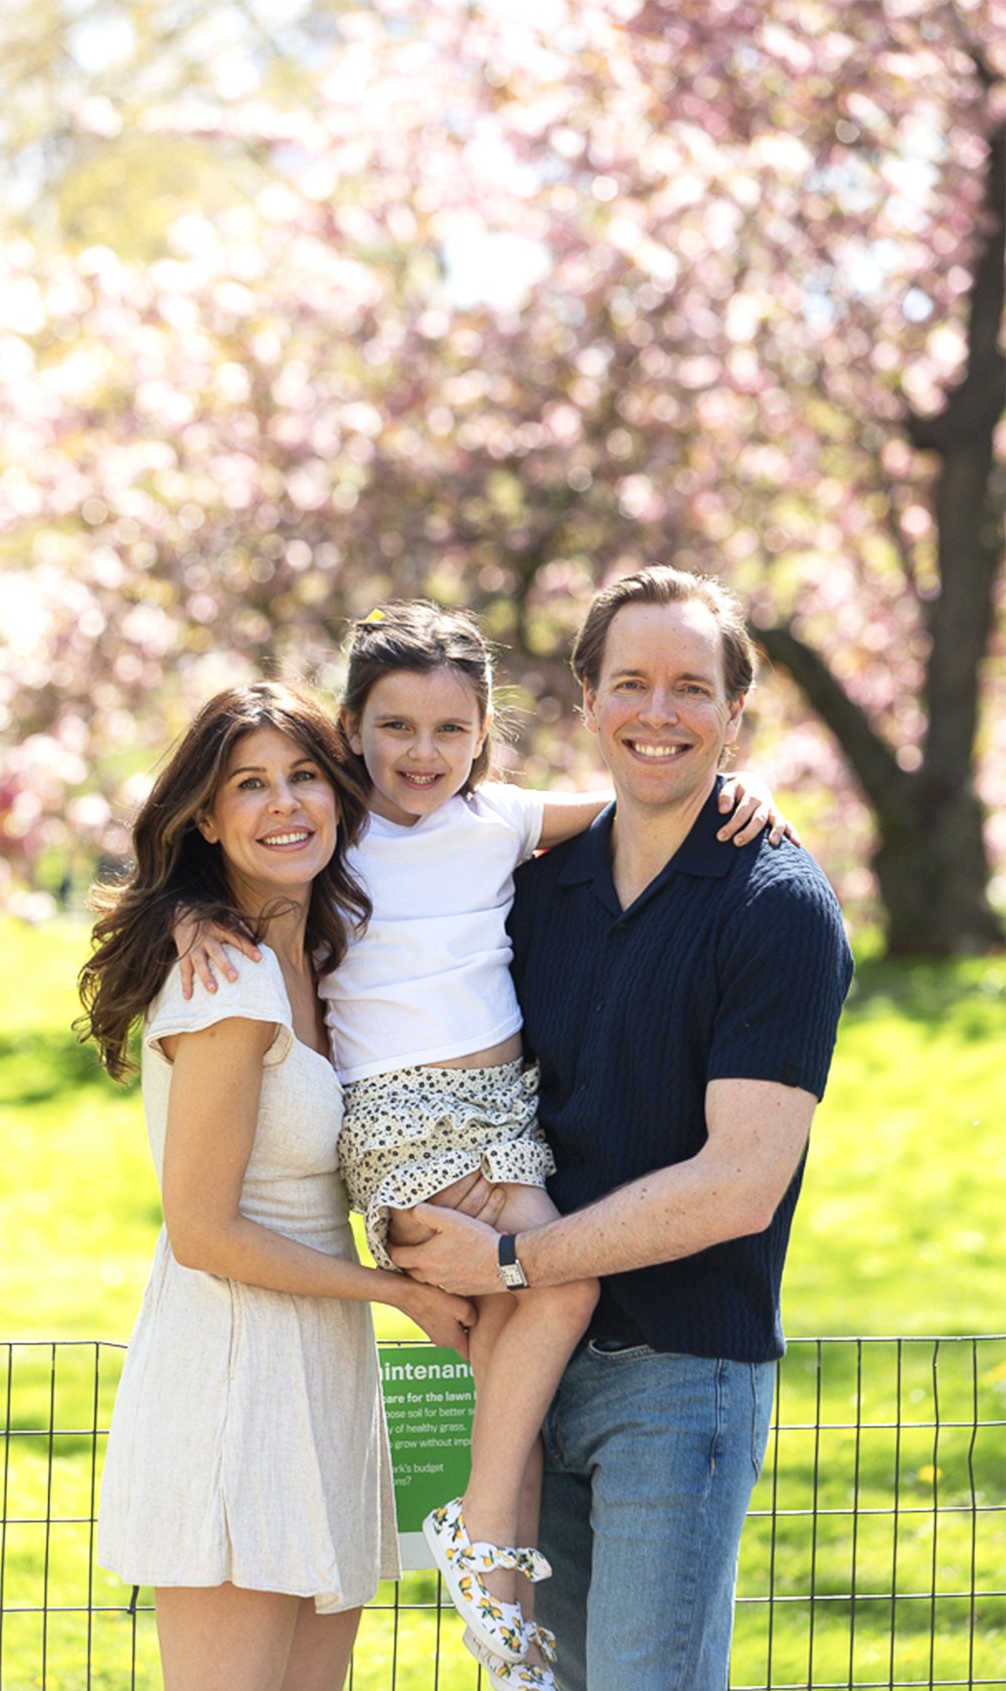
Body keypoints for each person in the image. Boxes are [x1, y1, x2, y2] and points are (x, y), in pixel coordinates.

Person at [179, 601, 791, 1689]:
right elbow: (235, 868)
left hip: (502, 1114)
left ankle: (492, 1565)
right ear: (350, 730)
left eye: (449, 730)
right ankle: (485, 1521)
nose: (422, 753)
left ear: (483, 731)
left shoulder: (498, 818)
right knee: (552, 1291)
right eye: (394, 728)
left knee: (526, 1308)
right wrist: (188, 915)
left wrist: (738, 792)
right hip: (403, 1115)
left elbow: (640, 798)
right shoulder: (335, 835)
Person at [389, 569, 854, 1691]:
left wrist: (512, 1257)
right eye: (631, 682)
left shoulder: (775, 905)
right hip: (525, 1369)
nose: (659, 713)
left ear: (732, 716)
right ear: (587, 696)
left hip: (680, 1376)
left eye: (691, 687)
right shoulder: (534, 888)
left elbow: (737, 1183)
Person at [78, 681, 478, 1691]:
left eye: (304, 775)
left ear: (342, 793)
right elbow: (203, 1229)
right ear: (206, 818)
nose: (284, 803)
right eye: (248, 785)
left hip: (320, 1370)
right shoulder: (228, 981)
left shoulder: (319, 962)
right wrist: (396, 1294)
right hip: (232, 1376)